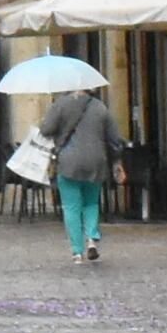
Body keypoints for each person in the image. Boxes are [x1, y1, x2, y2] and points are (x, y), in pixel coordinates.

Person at [43, 78, 117, 264]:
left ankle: (77, 252)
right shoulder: (100, 107)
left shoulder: (61, 105)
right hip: (96, 162)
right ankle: (92, 239)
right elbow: (114, 138)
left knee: (71, 207)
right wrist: (117, 159)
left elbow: (46, 130)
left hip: (69, 163)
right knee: (91, 203)